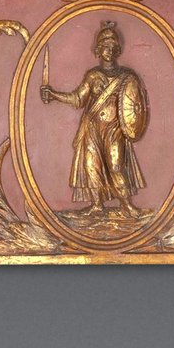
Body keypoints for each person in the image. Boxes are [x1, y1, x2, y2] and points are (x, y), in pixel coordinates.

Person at [40, 20, 148, 217]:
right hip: (91, 128)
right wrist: (54, 94)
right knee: (92, 166)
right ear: (98, 49)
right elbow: (78, 99)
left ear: (117, 50)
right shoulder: (92, 76)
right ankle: (97, 204)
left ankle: (127, 205)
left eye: (112, 45)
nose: (109, 49)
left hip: (114, 129)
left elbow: (134, 105)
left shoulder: (126, 77)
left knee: (116, 166)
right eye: (105, 45)